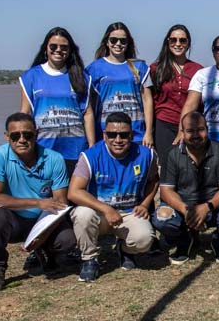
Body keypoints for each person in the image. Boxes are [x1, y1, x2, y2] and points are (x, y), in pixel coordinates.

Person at [0, 112, 77, 291]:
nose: (22, 140)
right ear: (6, 136)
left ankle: (47, 252)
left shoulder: (54, 158)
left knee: (67, 239)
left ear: (37, 133)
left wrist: (41, 236)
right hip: (15, 220)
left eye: (28, 134)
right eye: (15, 136)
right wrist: (38, 203)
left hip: (44, 220)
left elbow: (61, 202)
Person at [68, 112, 159, 281]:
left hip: (129, 212)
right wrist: (106, 209)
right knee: (82, 214)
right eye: (112, 135)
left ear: (132, 135)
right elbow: (74, 191)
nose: (118, 140)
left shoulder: (147, 155)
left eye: (124, 135)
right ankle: (89, 259)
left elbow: (154, 180)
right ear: (104, 135)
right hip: (99, 213)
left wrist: (145, 204)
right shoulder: (90, 156)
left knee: (145, 239)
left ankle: (124, 250)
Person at [153, 111, 219, 264]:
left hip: (212, 206)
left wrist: (206, 207)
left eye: (200, 129)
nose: (196, 135)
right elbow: (166, 191)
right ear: (182, 132)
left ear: (207, 129)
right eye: (190, 131)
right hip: (183, 207)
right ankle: (184, 240)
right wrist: (186, 210)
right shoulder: (172, 154)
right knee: (162, 218)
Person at [19, 27, 95, 169]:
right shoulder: (31, 76)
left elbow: (88, 113)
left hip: (75, 150)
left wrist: (91, 145)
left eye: (64, 47)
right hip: (43, 148)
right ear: (45, 48)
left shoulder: (81, 77)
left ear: (70, 50)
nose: (58, 50)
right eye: (53, 46)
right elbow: (25, 112)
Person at [86, 22, 154, 148]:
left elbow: (147, 99)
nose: (118, 44)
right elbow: (88, 105)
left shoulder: (140, 67)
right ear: (107, 42)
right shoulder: (93, 69)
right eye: (113, 40)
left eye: (123, 41)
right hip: (106, 135)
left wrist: (148, 132)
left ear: (128, 43)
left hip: (136, 134)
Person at [150, 24, 203, 164]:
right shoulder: (156, 68)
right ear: (167, 42)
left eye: (182, 40)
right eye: (173, 40)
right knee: (168, 165)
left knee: (189, 165)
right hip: (164, 125)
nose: (178, 44)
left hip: (191, 125)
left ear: (188, 43)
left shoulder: (198, 70)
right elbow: (149, 100)